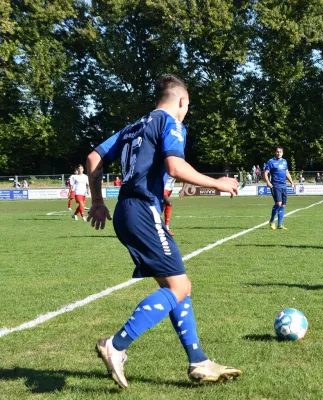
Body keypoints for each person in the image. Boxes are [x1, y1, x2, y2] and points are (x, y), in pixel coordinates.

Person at [86, 74, 242, 388]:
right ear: (181, 101)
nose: (186, 112)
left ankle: (198, 360)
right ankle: (115, 346)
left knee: (178, 285)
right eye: (188, 106)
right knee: (179, 287)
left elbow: (93, 157)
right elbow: (175, 167)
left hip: (127, 210)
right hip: (143, 210)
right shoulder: (170, 123)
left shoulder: (133, 127)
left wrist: (98, 202)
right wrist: (217, 183)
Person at [263, 146, 295, 230]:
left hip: (283, 185)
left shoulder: (284, 161)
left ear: (282, 153)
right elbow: (265, 173)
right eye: (277, 151)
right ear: (275, 152)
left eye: (280, 152)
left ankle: (280, 224)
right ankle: (272, 220)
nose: (279, 153)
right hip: (275, 185)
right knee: (278, 203)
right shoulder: (271, 161)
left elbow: (286, 172)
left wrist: (291, 182)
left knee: (283, 205)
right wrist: (268, 182)